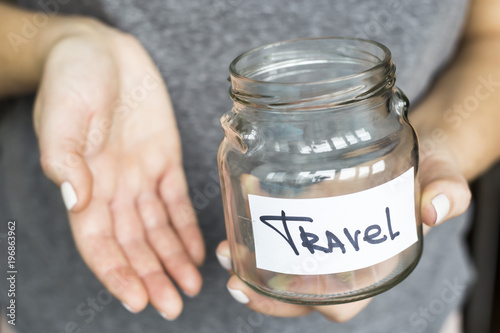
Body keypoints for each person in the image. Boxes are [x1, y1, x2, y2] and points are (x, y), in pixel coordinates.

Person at [0, 0, 498, 331]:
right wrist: (55, 44)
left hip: (406, 314)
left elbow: (491, 38)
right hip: (66, 300)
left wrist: (440, 148)